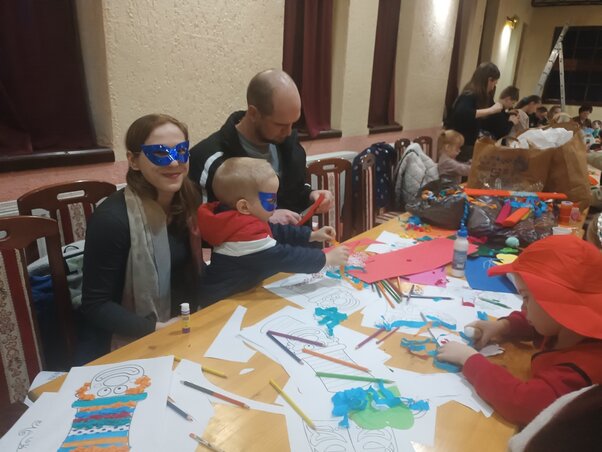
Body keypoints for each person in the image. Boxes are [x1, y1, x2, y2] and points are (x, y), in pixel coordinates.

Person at [436, 235, 602, 426]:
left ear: (558, 305)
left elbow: (522, 404)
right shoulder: (570, 326)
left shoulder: (582, 368)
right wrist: (503, 326)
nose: (523, 307)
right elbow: (539, 323)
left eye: (526, 297)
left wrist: (469, 359)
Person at [80, 114, 203, 355]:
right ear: (133, 161)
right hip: (130, 340)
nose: (174, 162)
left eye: (181, 151)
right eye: (159, 153)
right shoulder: (112, 220)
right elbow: (96, 305)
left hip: (185, 327)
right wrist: (157, 329)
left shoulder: (188, 198)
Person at [188, 69, 333, 225]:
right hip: (251, 241)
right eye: (280, 125)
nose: (288, 132)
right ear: (253, 113)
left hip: (297, 239)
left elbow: (294, 192)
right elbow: (202, 224)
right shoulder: (209, 158)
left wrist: (311, 196)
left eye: (293, 123)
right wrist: (264, 218)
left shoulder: (289, 145)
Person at [197, 157, 349, 305]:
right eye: (271, 200)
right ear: (244, 206)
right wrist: (325, 258)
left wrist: (311, 235)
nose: (276, 206)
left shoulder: (238, 220)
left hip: (241, 292)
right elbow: (284, 257)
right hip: (221, 303)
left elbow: (276, 231)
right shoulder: (242, 237)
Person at [444, 62, 503, 162]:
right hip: (461, 146)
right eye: (494, 83)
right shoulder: (469, 94)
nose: (493, 87)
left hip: (467, 144)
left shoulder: (478, 95)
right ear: (489, 80)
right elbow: (462, 113)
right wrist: (491, 110)